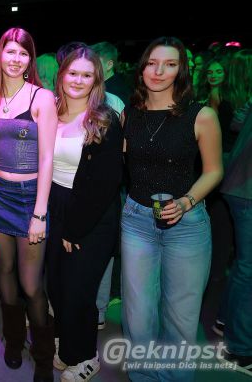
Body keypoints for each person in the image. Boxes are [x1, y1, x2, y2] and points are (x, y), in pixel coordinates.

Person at [121, 37, 222, 382]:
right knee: (137, 315)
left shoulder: (201, 115)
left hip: (187, 224)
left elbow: (214, 171)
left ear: (181, 71)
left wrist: (186, 201)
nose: (159, 71)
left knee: (180, 316)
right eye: (152, 63)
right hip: (136, 220)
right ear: (142, 68)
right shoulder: (129, 114)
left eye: (170, 64)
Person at [45, 47, 123, 382]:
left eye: (86, 75)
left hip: (91, 214)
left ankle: (86, 356)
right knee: (56, 286)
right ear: (62, 75)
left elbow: (105, 184)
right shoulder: (50, 111)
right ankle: (66, 344)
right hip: (55, 206)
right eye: (73, 73)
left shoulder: (104, 119)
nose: (78, 80)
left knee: (79, 290)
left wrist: (73, 230)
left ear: (96, 80)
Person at [0, 28, 57, 379]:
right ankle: (14, 341)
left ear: (30, 59)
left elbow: (47, 159)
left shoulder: (42, 97)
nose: (16, 59)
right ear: (0, 55)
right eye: (10, 52)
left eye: (23, 53)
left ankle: (43, 356)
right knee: (4, 271)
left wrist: (40, 213)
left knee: (31, 285)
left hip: (29, 198)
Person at [217, 109, 252, 375]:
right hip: (247, 189)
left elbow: (237, 121)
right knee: (248, 268)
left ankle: (225, 321)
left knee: (243, 265)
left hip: (239, 182)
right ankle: (239, 349)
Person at [90, 41, 134, 105]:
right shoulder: (100, 85)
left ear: (109, 65)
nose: (88, 68)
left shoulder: (117, 94)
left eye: (94, 63)